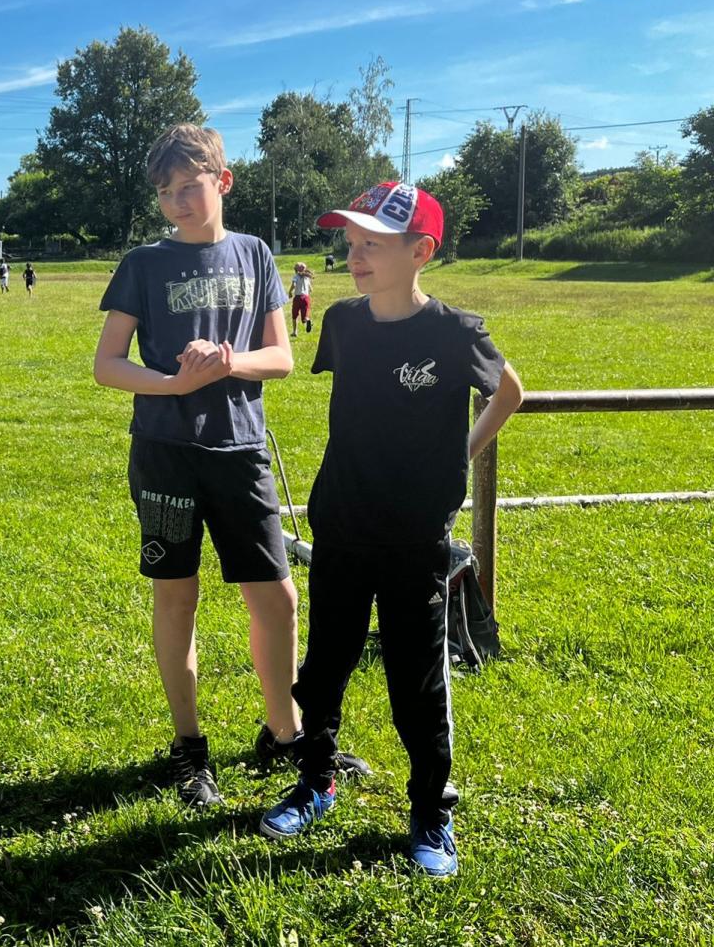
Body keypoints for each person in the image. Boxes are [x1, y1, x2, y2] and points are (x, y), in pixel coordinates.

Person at [93, 123, 369, 808]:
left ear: (223, 180)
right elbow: (107, 365)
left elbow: (280, 357)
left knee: (276, 596)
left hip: (241, 450)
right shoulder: (143, 263)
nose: (178, 203)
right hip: (164, 455)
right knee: (176, 596)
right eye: (166, 193)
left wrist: (227, 363)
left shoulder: (255, 254)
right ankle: (189, 749)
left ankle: (285, 731)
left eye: (190, 187)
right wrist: (173, 384)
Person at [258, 181, 524, 877]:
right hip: (342, 524)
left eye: (371, 244)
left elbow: (510, 391)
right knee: (324, 668)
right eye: (351, 243)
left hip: (415, 537)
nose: (354, 256)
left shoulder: (455, 333)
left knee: (417, 682)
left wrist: (462, 452)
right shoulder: (342, 322)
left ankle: (431, 809)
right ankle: (317, 780)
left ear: (421, 251)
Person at [289, 261, 313, 336]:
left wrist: (290, 291)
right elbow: (311, 289)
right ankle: (307, 320)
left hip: (298, 297)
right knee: (304, 317)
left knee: (294, 315)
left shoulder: (295, 276)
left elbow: (294, 285)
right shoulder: (307, 278)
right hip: (306, 298)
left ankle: (295, 332)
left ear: (296, 269)